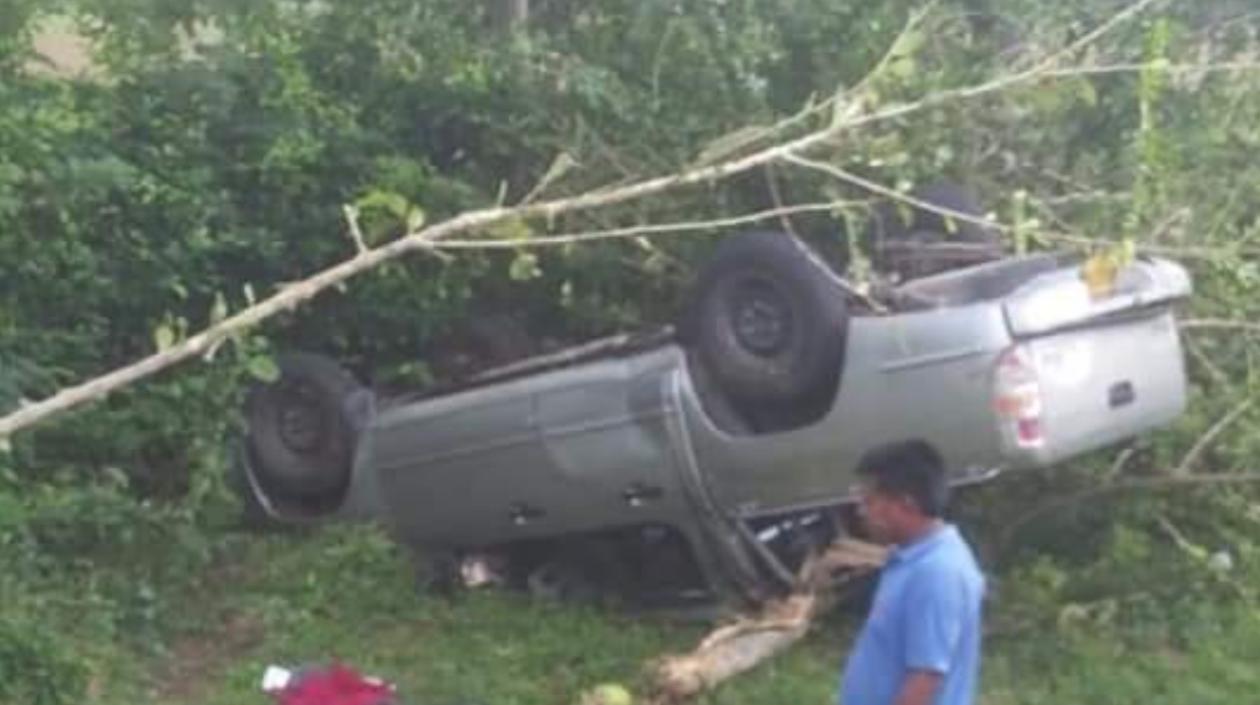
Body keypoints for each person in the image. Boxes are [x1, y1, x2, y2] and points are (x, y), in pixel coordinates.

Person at [838, 441, 986, 705]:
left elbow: (925, 677)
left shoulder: (938, 572)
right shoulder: (909, 559)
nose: (861, 511)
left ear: (906, 503)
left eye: (869, 501)